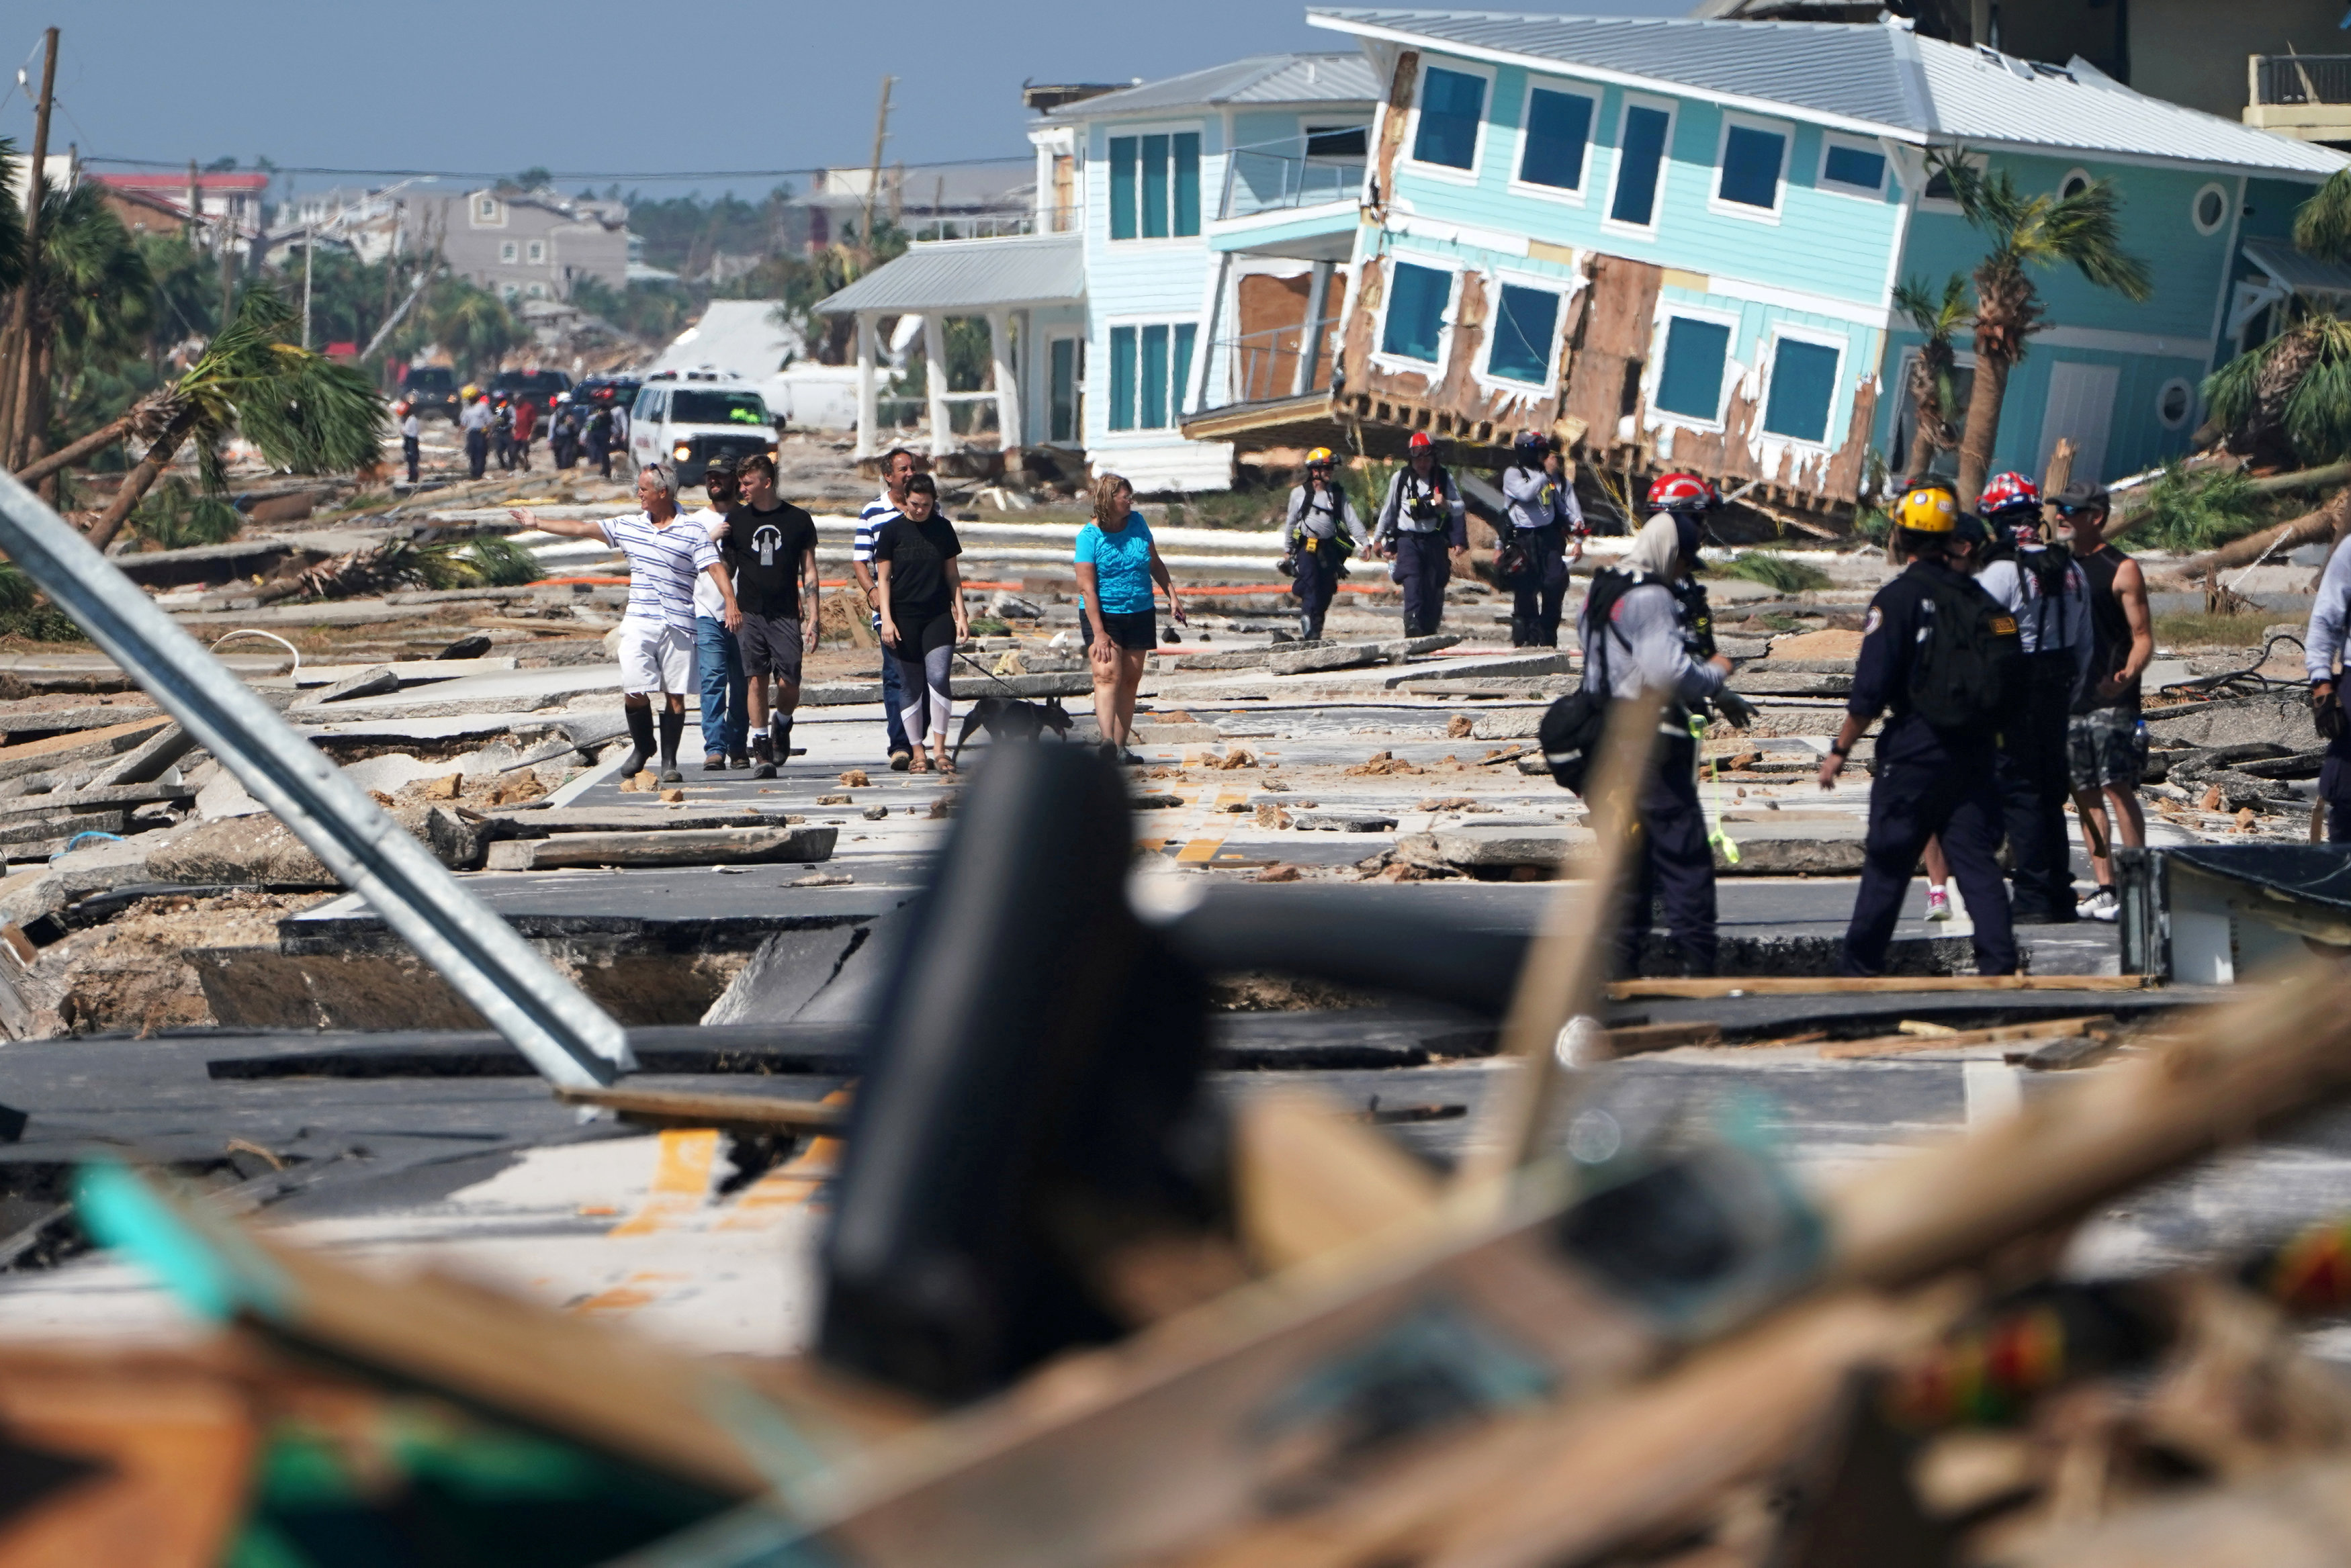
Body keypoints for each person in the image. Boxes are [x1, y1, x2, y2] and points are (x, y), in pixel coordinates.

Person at [1822, 483, 2019, 976]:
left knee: (1888, 862)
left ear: (1902, 537)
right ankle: (2000, 966)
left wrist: (1840, 750)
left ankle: (1859, 969)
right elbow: (2015, 672)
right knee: (1975, 863)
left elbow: (1871, 688)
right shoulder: (1982, 601)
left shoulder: (1897, 599)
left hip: (1914, 750)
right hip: (1974, 753)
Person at [1579, 490, 1749, 977]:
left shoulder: (1603, 585)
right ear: (1671, 552)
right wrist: (1716, 676)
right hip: (1650, 743)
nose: (1685, 572)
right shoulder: (1652, 596)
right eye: (1685, 559)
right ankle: (1698, 965)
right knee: (1686, 856)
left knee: (1630, 862)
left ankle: (1621, 969)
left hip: (1605, 739)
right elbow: (1667, 672)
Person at [510, 465, 739, 784]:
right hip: (639, 620)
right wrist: (538, 523)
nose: (638, 494)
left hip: (679, 623)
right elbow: (581, 528)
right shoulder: (628, 526)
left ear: (663, 493)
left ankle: (669, 762)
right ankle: (644, 745)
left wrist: (730, 601)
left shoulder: (693, 530)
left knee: (675, 695)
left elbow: (715, 568)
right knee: (634, 687)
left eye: (644, 489)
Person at [1974, 471, 2093, 923]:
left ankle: (2032, 896)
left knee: (2020, 792)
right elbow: (2084, 644)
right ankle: (2059, 893)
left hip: (2016, 695)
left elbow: (1983, 633)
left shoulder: (2001, 573)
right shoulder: (2073, 569)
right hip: (2059, 691)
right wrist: (2073, 691)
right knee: (2050, 791)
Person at [2053, 481, 2152, 923]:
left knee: (2116, 786)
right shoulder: (2058, 565)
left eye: (2071, 510)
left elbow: (2143, 637)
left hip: (2113, 699)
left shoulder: (2122, 568)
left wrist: (2129, 672)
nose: (2061, 516)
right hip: (2070, 700)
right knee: (2085, 794)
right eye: (2059, 509)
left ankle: (2136, 882)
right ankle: (2105, 886)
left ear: (2096, 516)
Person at [1076, 473, 1186, 764]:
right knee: (1106, 674)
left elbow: (1154, 561)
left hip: (1139, 610)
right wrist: (1099, 633)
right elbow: (1087, 590)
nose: (1131, 501)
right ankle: (1107, 741)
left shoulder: (1138, 523)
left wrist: (1172, 595)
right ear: (1109, 499)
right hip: (1102, 613)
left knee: (1131, 678)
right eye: (1126, 497)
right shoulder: (1089, 537)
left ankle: (1121, 747)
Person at [728, 451, 820, 780]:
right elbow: (725, 569)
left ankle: (781, 722)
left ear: (767, 482)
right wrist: (729, 602)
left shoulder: (798, 520)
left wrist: (814, 617)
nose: (743, 489)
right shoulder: (736, 521)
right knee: (755, 678)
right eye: (741, 483)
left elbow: (809, 571)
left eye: (748, 483)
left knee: (790, 680)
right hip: (750, 611)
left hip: (785, 613)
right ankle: (761, 748)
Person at [873, 473, 968, 774]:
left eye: (926, 505)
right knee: (911, 685)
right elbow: (883, 579)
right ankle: (917, 751)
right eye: (915, 504)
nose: (920, 510)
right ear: (906, 499)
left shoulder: (943, 529)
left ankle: (940, 749)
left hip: (937, 614)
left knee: (939, 676)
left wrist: (961, 612)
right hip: (903, 616)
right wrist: (886, 619)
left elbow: (952, 574)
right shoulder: (891, 531)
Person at [856, 449, 924, 770]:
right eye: (903, 469)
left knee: (926, 676)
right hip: (890, 608)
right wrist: (871, 591)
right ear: (888, 476)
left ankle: (920, 743)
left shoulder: (928, 508)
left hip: (925, 607)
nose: (910, 473)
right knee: (896, 676)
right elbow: (861, 560)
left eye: (913, 467)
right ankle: (900, 745)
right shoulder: (873, 512)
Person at [687, 458, 750, 771]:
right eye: (710, 477)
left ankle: (738, 745)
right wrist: (709, 538)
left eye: (720, 477)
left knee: (742, 683)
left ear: (735, 481)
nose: (714, 482)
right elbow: (683, 560)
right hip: (708, 611)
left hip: (745, 614)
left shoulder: (748, 517)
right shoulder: (695, 521)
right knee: (713, 679)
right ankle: (715, 747)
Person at [1374, 430, 1467, 638]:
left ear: (1434, 458)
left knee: (1434, 585)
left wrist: (1446, 504)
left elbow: (1461, 507)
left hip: (1435, 541)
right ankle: (1412, 625)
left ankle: (1430, 627)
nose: (1422, 463)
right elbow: (1389, 510)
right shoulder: (1400, 479)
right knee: (1412, 580)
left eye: (1427, 458)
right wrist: (1378, 539)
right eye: (1418, 459)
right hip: (1408, 541)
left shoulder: (1444, 478)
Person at [1500, 431, 1587, 647]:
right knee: (1525, 589)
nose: (1544, 456)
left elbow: (1562, 507)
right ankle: (1527, 637)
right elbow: (1526, 494)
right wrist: (1545, 475)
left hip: (1547, 539)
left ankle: (1548, 634)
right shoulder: (1513, 474)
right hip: (1523, 539)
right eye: (1539, 451)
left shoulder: (1549, 480)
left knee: (1555, 582)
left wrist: (1576, 527)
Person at [1284, 447, 1368, 641]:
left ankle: (1317, 630)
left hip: (1330, 550)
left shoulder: (1337, 495)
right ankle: (1309, 622)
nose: (1330, 472)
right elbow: (1290, 523)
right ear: (1315, 471)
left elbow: (1351, 519)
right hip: (1307, 548)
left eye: (1331, 468)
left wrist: (1365, 542)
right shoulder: (1299, 494)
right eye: (1326, 468)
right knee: (1310, 585)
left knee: (1327, 588)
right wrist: (1288, 551)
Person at [461, 394, 492, 481]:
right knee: (472, 453)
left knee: (481, 453)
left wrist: (488, 432)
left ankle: (479, 473)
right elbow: (464, 422)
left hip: (481, 432)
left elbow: (489, 420)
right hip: (471, 433)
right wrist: (459, 434)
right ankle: (473, 472)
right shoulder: (467, 409)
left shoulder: (482, 407)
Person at [585, 404, 615, 479]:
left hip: (604, 440)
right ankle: (593, 475)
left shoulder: (609, 418)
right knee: (594, 456)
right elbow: (587, 427)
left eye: (605, 411)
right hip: (593, 440)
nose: (603, 413)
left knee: (605, 458)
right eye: (602, 411)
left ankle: (606, 474)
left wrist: (614, 435)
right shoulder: (594, 418)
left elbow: (613, 428)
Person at [512, 391, 539, 472]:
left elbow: (534, 421)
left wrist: (531, 433)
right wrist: (513, 429)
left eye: (517, 399)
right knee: (514, 452)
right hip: (517, 434)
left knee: (525, 452)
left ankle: (526, 468)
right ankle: (524, 464)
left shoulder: (529, 407)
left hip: (526, 433)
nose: (516, 401)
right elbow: (514, 420)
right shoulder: (515, 408)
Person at [398, 401, 421, 486]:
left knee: (413, 459)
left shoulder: (412, 420)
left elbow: (413, 433)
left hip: (412, 441)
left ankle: (414, 477)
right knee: (409, 459)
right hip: (408, 440)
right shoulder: (407, 420)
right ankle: (410, 477)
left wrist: (404, 431)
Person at [492, 395, 515, 472]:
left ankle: (512, 466)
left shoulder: (510, 408)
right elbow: (498, 419)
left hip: (508, 432)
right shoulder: (499, 409)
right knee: (499, 451)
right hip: (500, 433)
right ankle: (503, 466)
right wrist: (495, 428)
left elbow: (514, 419)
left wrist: (510, 427)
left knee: (511, 452)